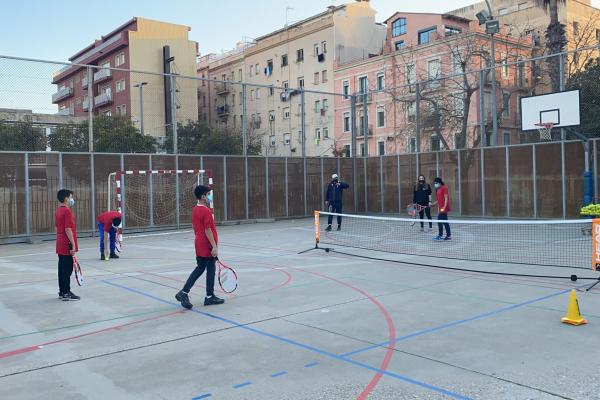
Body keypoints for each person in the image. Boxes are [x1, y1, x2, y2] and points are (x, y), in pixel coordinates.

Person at [175, 185, 225, 309]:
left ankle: (184, 292)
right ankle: (209, 297)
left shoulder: (195, 209)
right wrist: (214, 246)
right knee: (210, 270)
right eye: (208, 194)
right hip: (206, 244)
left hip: (198, 243)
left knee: (200, 268)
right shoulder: (206, 211)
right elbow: (208, 230)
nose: (209, 196)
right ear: (203, 196)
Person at [55, 189, 80, 301]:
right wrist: (73, 244)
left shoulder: (58, 211)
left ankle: (62, 291)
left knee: (62, 268)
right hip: (66, 242)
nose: (71, 199)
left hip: (60, 241)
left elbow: (57, 227)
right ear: (66, 198)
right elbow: (68, 228)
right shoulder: (67, 211)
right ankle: (66, 292)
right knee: (67, 269)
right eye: (70, 197)